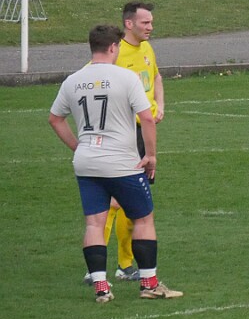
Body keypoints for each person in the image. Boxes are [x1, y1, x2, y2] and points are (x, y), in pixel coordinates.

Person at [49, 24, 182, 302]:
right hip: (122, 161)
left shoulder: (73, 80)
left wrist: (78, 146)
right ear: (113, 47)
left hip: (87, 162)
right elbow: (147, 118)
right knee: (143, 219)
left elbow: (55, 119)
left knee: (94, 224)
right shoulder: (126, 77)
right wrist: (151, 156)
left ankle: (101, 287)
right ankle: (149, 284)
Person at [82, 1, 165, 285]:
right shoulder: (115, 53)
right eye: (145, 22)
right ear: (129, 24)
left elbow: (156, 76)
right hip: (123, 135)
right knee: (113, 204)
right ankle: (97, 269)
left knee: (136, 204)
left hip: (143, 133)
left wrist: (160, 105)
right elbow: (91, 81)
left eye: (151, 22)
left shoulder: (147, 49)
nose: (150, 27)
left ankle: (125, 264)